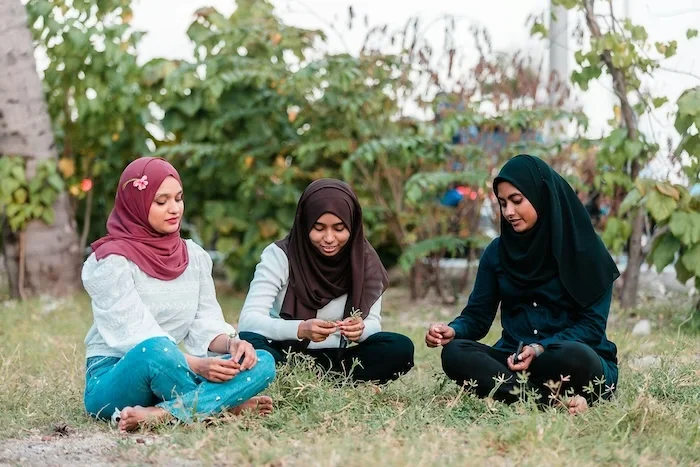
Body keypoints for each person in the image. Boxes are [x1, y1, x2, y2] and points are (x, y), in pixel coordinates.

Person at [82, 157, 275, 432]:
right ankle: (223, 407)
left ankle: (163, 414)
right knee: (156, 350)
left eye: (179, 198)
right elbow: (136, 337)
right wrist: (198, 366)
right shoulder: (111, 262)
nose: (174, 209)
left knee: (262, 359)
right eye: (161, 201)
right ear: (135, 205)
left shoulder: (193, 256)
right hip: (116, 376)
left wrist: (233, 345)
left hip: (173, 370)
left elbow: (205, 324)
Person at [425, 155, 620, 414]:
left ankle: (519, 394)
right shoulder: (497, 253)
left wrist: (540, 348)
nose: (508, 212)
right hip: (512, 359)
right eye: (503, 203)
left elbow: (592, 327)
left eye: (517, 201)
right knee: (455, 353)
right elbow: (477, 317)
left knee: (576, 355)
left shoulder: (586, 252)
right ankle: (548, 400)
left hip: (567, 359)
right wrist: (454, 330)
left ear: (542, 196)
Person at [238, 179, 414, 384]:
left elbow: (374, 323)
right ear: (304, 224)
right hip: (284, 355)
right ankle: (295, 377)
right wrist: (300, 329)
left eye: (339, 229)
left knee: (399, 347)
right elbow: (249, 320)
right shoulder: (280, 255)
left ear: (353, 225)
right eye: (319, 228)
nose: (329, 238)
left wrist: (361, 330)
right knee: (249, 340)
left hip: (338, 360)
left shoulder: (365, 260)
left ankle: (307, 381)